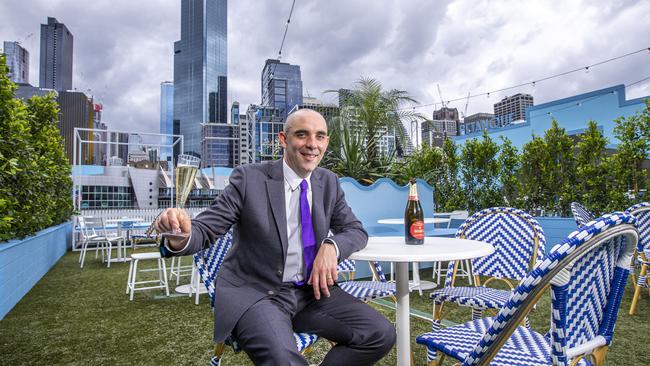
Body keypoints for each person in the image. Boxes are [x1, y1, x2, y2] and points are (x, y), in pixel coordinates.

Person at [155, 109, 396, 365]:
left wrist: (331, 246)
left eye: (320, 136)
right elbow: (204, 230)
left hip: (310, 294)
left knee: (380, 334)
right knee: (283, 360)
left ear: (326, 142)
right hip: (257, 294)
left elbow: (355, 230)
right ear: (283, 139)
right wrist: (180, 236)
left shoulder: (329, 182)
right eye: (302, 134)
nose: (312, 144)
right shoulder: (249, 178)